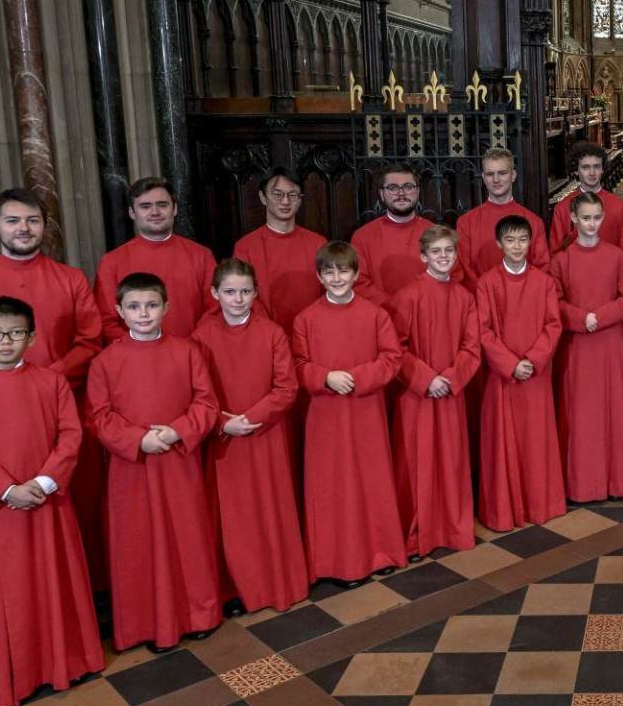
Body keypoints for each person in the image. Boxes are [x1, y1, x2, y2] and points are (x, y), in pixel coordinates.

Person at [0, 297, 104, 706]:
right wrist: (7, 490)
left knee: (58, 577)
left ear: (31, 338)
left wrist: (45, 480)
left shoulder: (50, 382)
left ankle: (68, 661)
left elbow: (70, 435)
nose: (6, 341)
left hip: (48, 500)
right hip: (1, 510)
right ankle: (21, 670)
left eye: (16, 333)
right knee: (10, 589)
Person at [0, 189, 109, 589]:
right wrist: (12, 379)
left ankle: (85, 586)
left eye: (33, 220)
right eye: (13, 221)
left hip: (64, 405)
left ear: (45, 227)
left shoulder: (70, 279)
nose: (24, 228)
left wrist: (47, 379)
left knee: (77, 501)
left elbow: (89, 339)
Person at [87, 273, 224, 653]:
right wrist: (138, 439)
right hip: (132, 466)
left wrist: (178, 431)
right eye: (134, 306)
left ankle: (198, 614)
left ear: (166, 308)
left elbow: (206, 402)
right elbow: (98, 416)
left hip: (179, 460)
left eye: (151, 305)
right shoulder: (105, 361)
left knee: (188, 534)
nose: (143, 313)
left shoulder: (187, 351)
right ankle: (143, 623)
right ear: (119, 311)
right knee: (138, 542)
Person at [191, 261, 310, 614]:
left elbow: (287, 387)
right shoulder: (201, 336)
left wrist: (253, 417)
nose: (238, 299)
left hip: (265, 434)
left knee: (271, 507)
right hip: (224, 438)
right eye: (229, 292)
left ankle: (276, 583)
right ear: (214, 294)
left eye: (245, 291)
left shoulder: (272, 333)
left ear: (256, 292)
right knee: (232, 516)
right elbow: (196, 391)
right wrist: (221, 422)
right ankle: (235, 589)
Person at [290, 243, 409, 585]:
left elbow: (392, 359)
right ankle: (331, 561)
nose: (337, 278)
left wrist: (357, 379)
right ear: (319, 277)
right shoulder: (305, 319)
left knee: (371, 480)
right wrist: (325, 377)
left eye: (344, 271)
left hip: (365, 409)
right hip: (325, 414)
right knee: (330, 487)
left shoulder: (375, 315)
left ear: (356, 274)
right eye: (329, 272)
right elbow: (296, 365)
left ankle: (380, 552)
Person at [387, 226, 481, 555]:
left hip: (451, 392)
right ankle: (418, 529)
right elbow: (395, 350)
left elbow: (472, 348)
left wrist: (452, 378)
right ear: (423, 256)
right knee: (417, 461)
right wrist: (427, 379)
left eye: (449, 251)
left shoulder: (465, 298)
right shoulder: (407, 296)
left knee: (452, 460)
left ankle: (452, 527)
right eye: (437, 251)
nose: (444, 257)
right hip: (417, 396)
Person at [476, 216, 568, 529]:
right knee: (504, 443)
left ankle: (540, 503)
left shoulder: (544, 282)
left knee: (536, 441)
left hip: (535, 376)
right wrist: (511, 364)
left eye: (523, 240)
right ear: (499, 244)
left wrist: (533, 359)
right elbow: (483, 331)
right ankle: (505, 510)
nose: (517, 246)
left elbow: (553, 325)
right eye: (510, 240)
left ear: (531, 243)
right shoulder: (487, 283)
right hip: (504, 377)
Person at [549, 192, 623, 503]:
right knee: (580, 412)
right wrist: (579, 318)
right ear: (573, 219)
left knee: (610, 408)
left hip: (608, 343)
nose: (592, 224)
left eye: (597, 218)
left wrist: (597, 318)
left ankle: (615, 481)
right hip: (575, 345)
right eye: (586, 218)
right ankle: (580, 484)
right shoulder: (560, 260)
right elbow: (554, 302)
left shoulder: (616, 256)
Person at [93, 177, 218, 341]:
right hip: (136, 358)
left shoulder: (201, 255)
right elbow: (106, 321)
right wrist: (143, 349)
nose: (155, 212)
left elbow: (215, 310)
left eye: (162, 205)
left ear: (174, 209)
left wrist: (190, 348)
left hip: (194, 353)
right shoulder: (111, 262)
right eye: (145, 206)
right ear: (132, 212)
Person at [231, 168, 329, 329]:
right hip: (264, 333)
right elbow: (241, 294)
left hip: (312, 329)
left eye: (293, 195)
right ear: (263, 197)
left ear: (300, 199)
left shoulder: (318, 243)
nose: (285, 201)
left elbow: (328, 290)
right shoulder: (245, 247)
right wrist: (271, 331)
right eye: (277, 194)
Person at [456, 147, 549, 281]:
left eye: (502, 173)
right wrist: (485, 296)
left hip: (523, 298)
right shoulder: (465, 222)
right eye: (489, 174)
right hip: (481, 299)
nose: (496, 179)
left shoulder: (534, 222)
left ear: (513, 175)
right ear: (483, 177)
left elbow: (542, 268)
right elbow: (464, 269)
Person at [351, 164, 441, 299]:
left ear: (417, 192)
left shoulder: (436, 234)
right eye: (392, 188)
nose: (401, 193)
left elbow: (448, 276)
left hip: (428, 311)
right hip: (382, 314)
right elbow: (359, 282)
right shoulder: (363, 236)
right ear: (382, 194)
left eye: (408, 187)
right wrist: (395, 306)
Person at [550, 141, 623, 257]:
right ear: (575, 170)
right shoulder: (563, 208)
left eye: (596, 166)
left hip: (610, 272)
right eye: (585, 167)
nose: (592, 173)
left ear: (603, 169)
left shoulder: (620, 206)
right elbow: (555, 254)